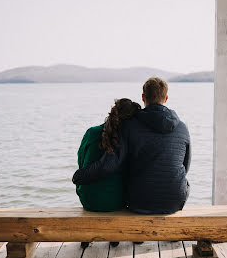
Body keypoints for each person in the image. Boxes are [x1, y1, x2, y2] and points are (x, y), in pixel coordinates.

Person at [73, 77, 191, 215]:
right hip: (176, 200)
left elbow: (111, 163)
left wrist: (79, 176)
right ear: (166, 98)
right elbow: (185, 166)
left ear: (143, 97)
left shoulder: (131, 126)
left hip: (140, 202)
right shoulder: (182, 127)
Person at [76, 98, 141, 212]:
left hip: (89, 201)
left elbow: (81, 162)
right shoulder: (131, 139)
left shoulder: (92, 132)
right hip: (118, 202)